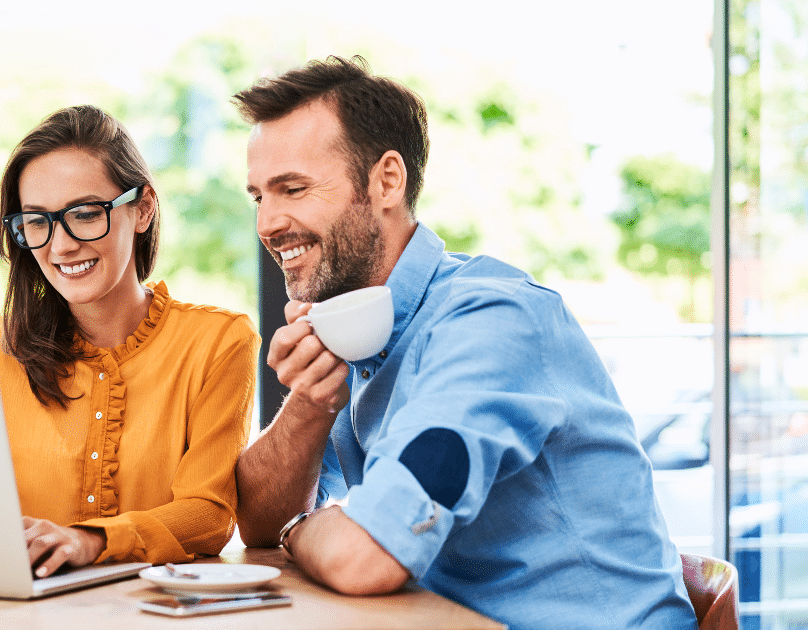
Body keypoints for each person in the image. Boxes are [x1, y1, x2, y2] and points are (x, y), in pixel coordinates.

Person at [233, 56, 699, 629]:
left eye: (293, 188)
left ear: (386, 181)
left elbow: (363, 558)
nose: (268, 223)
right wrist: (309, 403)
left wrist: (299, 528)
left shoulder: (491, 320)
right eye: (259, 196)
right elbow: (255, 521)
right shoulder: (351, 325)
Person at [0, 105, 258, 578]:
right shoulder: (1, 345)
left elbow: (208, 516)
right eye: (37, 222)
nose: (61, 246)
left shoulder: (220, 342)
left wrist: (90, 540)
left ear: (142, 208)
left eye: (85, 214)